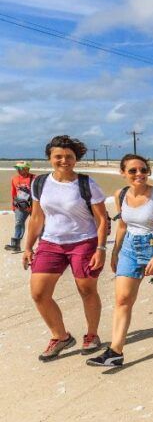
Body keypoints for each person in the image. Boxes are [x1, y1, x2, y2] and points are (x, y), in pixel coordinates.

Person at [87, 154, 153, 367]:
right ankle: (115, 351)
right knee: (123, 299)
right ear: (123, 173)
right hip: (130, 248)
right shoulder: (120, 194)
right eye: (133, 171)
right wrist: (115, 251)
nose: (139, 174)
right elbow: (122, 225)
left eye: (143, 170)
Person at [23, 135, 109, 360]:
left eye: (68, 156)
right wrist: (28, 247)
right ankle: (60, 336)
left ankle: (91, 335)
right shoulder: (39, 183)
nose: (63, 160)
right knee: (39, 293)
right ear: (50, 158)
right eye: (58, 156)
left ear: (75, 159)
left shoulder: (86, 183)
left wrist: (101, 249)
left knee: (86, 290)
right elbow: (36, 217)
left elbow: (101, 219)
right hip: (50, 243)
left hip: (84, 242)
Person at [5, 161, 34, 253]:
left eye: (21, 168)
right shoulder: (14, 179)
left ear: (27, 169)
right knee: (18, 223)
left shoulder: (34, 178)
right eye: (17, 168)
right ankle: (15, 245)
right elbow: (13, 193)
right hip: (20, 206)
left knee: (39, 225)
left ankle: (44, 245)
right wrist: (13, 206)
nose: (18, 170)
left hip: (34, 205)